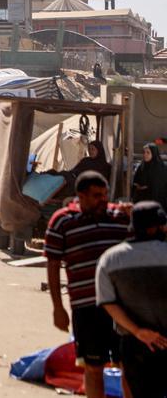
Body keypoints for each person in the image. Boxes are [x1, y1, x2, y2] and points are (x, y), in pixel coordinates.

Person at [44, 172, 132, 398]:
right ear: (80, 196)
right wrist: (58, 307)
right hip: (86, 308)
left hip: (124, 308)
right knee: (93, 368)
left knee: (128, 368)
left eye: (105, 195)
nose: (103, 200)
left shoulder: (120, 217)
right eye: (96, 196)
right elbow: (53, 265)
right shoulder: (62, 221)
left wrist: (135, 217)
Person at [95, 201, 167, 398]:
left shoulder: (110, 259)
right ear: (157, 227)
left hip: (133, 343)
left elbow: (108, 303)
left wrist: (138, 331)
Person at [131, 142, 167, 209]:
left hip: (157, 202)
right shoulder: (141, 166)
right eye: (144, 152)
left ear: (153, 153)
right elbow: (135, 182)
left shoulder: (160, 168)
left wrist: (148, 187)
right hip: (142, 201)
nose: (145, 154)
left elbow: (159, 186)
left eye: (148, 152)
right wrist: (137, 186)